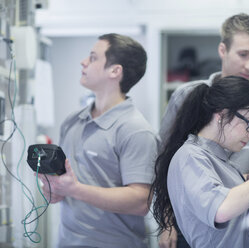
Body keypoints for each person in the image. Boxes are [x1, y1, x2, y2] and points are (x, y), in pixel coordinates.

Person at [158, 13, 249, 247]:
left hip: (243, 215)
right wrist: (166, 222)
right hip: (200, 216)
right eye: (243, 54)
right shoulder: (187, 98)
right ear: (222, 50)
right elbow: (164, 162)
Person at [38, 33, 158, 248]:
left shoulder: (136, 130)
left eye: (93, 58)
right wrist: (52, 188)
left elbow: (141, 201)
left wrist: (74, 189)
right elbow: (61, 193)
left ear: (115, 71)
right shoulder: (72, 122)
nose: (83, 62)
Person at [151, 76, 249, 248]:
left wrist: (245, 180)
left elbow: (218, 190)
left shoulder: (215, 157)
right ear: (221, 114)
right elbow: (220, 208)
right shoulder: (190, 156)